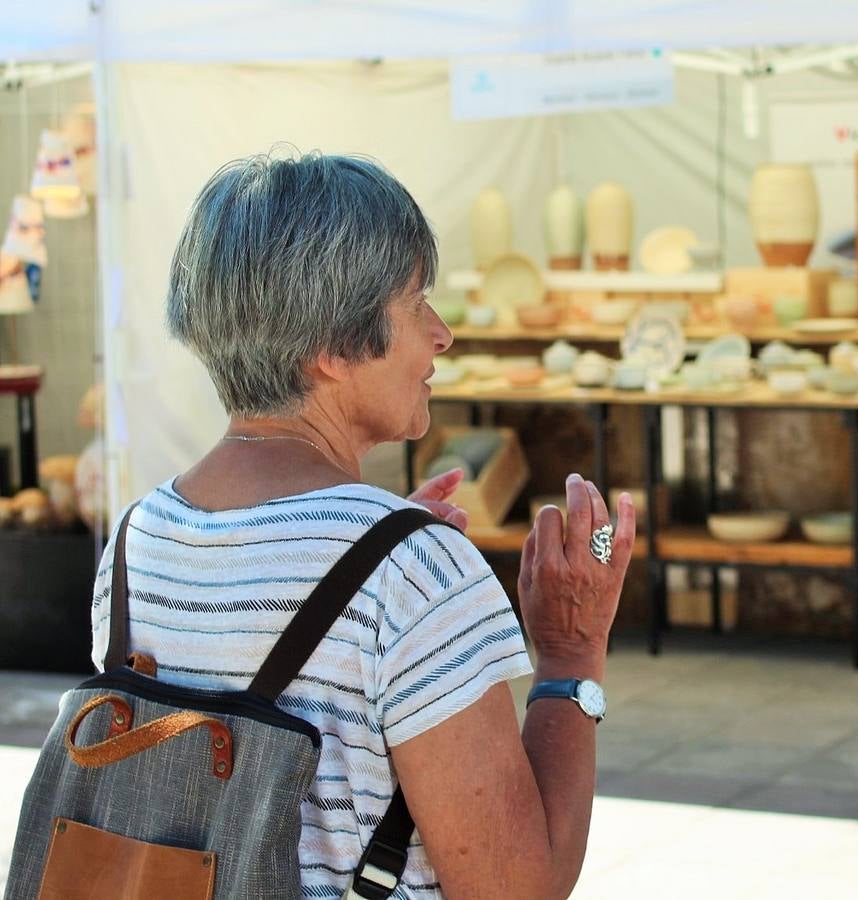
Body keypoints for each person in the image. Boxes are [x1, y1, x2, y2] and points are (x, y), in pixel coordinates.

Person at [92, 151, 635, 898]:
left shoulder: (136, 540)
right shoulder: (412, 572)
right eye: (416, 304)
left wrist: (371, 558)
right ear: (331, 350)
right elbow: (517, 890)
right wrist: (572, 656)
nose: (441, 335)